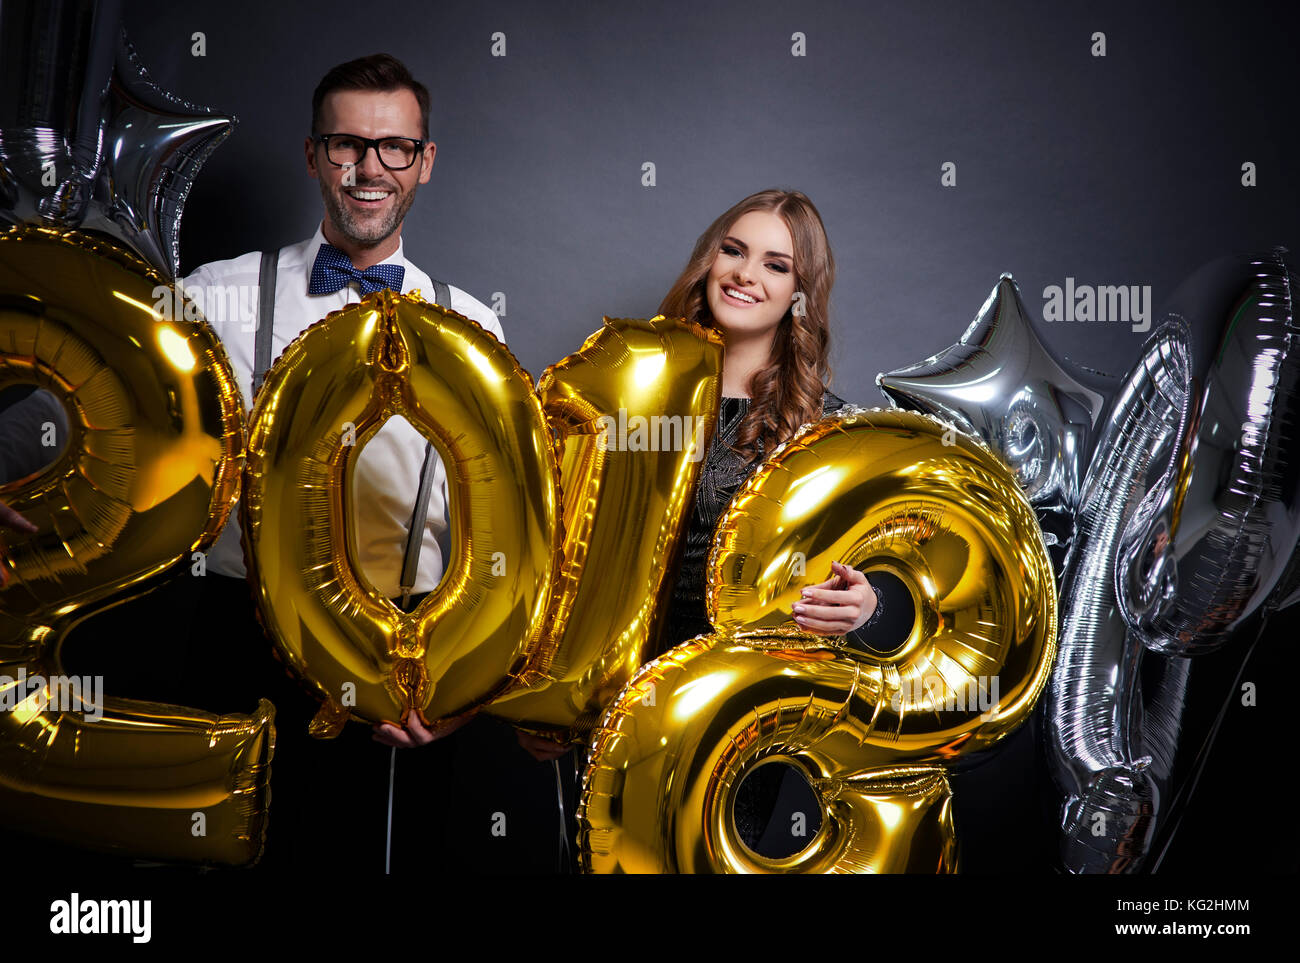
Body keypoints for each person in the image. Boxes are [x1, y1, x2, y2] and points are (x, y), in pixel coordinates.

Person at [179, 53, 504, 869]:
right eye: (346, 145)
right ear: (313, 153)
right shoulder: (214, 295)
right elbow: (78, 422)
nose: (370, 169)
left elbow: (501, 527)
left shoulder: (473, 326)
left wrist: (466, 684)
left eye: (395, 147)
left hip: (403, 657)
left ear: (425, 162)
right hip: (236, 639)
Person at [516, 188, 883, 765]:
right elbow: (559, 549)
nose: (745, 274)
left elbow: (861, 568)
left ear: (799, 295)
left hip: (739, 723)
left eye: (776, 265)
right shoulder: (630, 388)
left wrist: (865, 607)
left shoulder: (825, 429)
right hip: (608, 706)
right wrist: (541, 695)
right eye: (733, 251)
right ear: (709, 260)